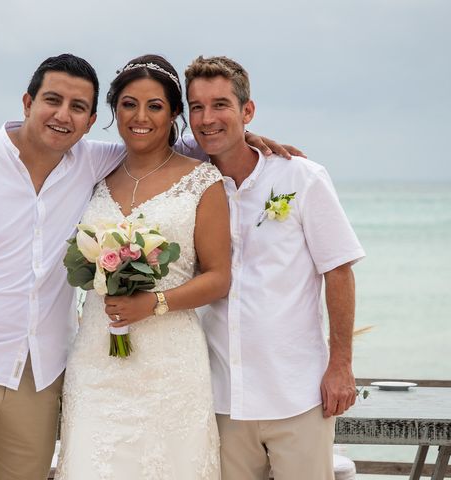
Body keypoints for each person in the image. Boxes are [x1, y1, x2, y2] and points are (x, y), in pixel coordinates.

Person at [0, 53, 293, 480]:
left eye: (78, 107)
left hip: (72, 370)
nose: (64, 115)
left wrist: (242, 138)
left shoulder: (129, 167)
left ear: (89, 118)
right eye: (52, 100)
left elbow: (173, 157)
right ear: (27, 102)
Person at [184, 56, 365, 480]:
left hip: (298, 393)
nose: (207, 118)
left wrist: (341, 366)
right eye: (196, 107)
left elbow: (338, 270)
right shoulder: (188, 183)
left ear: (248, 111)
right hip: (220, 397)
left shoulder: (302, 177)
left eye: (221, 105)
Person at [54, 54, 230, 479]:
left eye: (155, 106)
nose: (141, 117)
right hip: (96, 359)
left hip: (170, 366)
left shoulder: (202, 181)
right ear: (113, 110)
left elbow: (219, 277)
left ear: (173, 114)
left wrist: (155, 303)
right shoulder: (94, 172)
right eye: (129, 104)